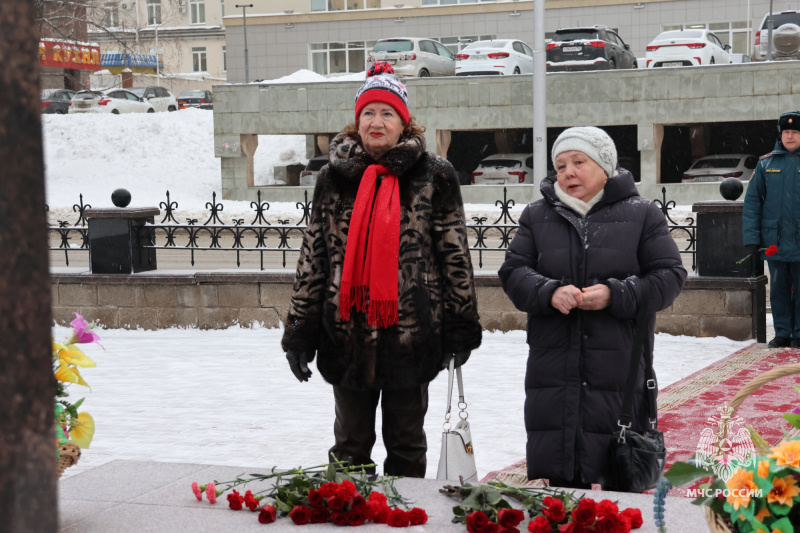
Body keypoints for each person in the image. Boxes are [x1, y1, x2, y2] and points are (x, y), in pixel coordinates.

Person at [281, 61, 482, 477]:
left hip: (412, 335)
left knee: (407, 444)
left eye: (387, 113)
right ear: (357, 121)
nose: (377, 121)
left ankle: (403, 516)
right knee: (350, 444)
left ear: (404, 122)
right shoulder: (332, 177)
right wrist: (299, 332)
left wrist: (461, 328)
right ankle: (350, 514)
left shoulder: (434, 175)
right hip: (345, 334)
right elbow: (313, 258)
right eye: (369, 112)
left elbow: (455, 259)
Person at [498, 126, 687, 490]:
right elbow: (513, 271)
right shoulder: (537, 216)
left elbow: (670, 277)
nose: (568, 172)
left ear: (605, 166)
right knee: (564, 483)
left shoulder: (642, 214)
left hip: (618, 367)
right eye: (561, 164)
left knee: (620, 480)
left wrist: (617, 294)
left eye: (579, 162)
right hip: (553, 370)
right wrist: (548, 291)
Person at [743, 110, 800, 349]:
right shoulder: (765, 164)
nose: (790, 136)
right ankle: (783, 333)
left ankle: (799, 334)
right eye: (786, 132)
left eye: (795, 132)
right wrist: (752, 238)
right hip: (774, 241)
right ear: (780, 134)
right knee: (778, 290)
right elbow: (752, 203)